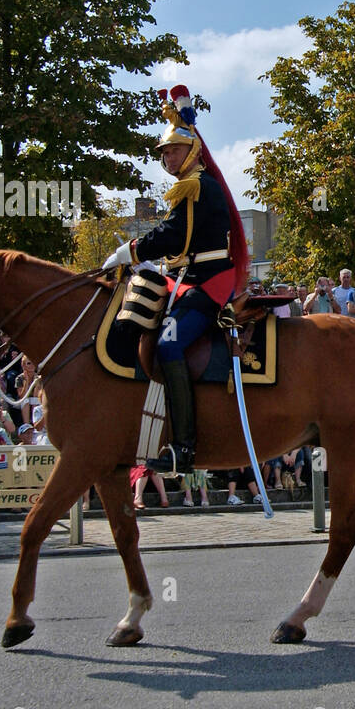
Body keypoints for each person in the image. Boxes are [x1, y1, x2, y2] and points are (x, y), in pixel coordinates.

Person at [101, 85, 249, 476]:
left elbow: (170, 235)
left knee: (168, 343)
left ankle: (184, 446)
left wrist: (129, 251)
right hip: (188, 280)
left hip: (211, 283)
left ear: (192, 151)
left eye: (173, 150)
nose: (167, 157)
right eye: (164, 153)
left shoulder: (197, 186)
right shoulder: (189, 186)